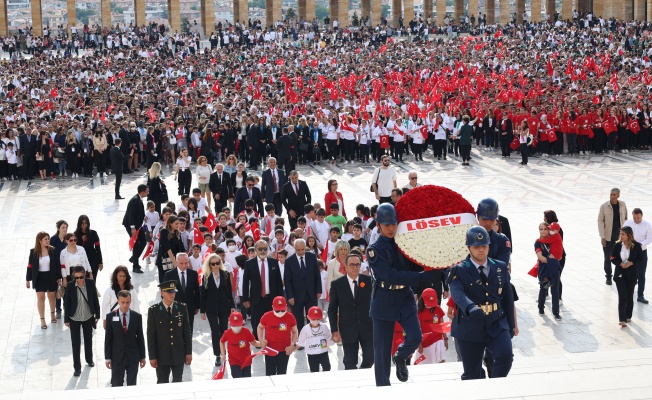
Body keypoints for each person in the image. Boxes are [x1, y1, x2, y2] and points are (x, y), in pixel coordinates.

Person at [366, 203, 437, 386]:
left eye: (393, 224)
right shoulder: (374, 249)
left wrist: (431, 263)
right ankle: (383, 388)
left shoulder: (405, 243)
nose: (391, 228)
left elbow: (415, 264)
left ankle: (400, 356)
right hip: (384, 298)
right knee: (381, 352)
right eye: (386, 224)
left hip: (404, 297)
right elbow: (389, 276)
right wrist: (419, 277)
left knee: (415, 336)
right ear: (378, 224)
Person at [447, 226, 515, 380]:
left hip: (496, 322)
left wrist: (511, 325)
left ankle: (495, 388)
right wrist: (470, 307)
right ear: (469, 247)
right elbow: (457, 293)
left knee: (505, 357)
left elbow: (508, 299)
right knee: (473, 374)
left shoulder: (500, 267)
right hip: (470, 325)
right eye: (476, 247)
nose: (481, 250)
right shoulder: (459, 270)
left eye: (484, 246)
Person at [328, 252, 374, 370]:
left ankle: (363, 375)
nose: (355, 267)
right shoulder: (337, 285)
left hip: (367, 328)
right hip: (348, 329)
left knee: (370, 357)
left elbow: (376, 303)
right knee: (350, 362)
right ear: (346, 266)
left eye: (357, 265)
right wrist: (334, 330)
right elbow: (332, 309)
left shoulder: (369, 282)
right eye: (352, 265)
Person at [147, 280, 192, 384]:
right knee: (162, 383)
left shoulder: (182, 307)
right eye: (169, 292)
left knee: (178, 383)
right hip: (162, 356)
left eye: (173, 292)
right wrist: (152, 356)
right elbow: (151, 336)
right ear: (162, 293)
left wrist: (188, 352)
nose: (172, 294)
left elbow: (186, 332)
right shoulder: (154, 310)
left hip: (178, 354)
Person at [242, 240, 284, 339]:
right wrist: (245, 299)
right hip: (256, 298)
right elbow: (245, 282)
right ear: (255, 250)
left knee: (272, 320)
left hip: (271, 298)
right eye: (260, 249)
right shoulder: (249, 263)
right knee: (256, 320)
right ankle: (257, 339)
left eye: (265, 249)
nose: (262, 251)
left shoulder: (274, 262)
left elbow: (278, 282)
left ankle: (271, 338)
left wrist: (280, 299)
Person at [64, 266, 101, 377]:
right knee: (76, 344)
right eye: (77, 278)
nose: (79, 279)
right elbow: (67, 302)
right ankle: (77, 368)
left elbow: (95, 299)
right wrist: (66, 319)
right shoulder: (70, 286)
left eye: (81, 277)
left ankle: (89, 359)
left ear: (84, 274)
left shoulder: (90, 283)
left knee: (88, 340)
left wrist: (97, 314)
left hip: (87, 316)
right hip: (74, 317)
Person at [104, 290, 146, 386]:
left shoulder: (137, 317)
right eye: (123, 302)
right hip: (117, 356)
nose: (125, 305)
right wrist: (108, 358)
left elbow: (140, 337)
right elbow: (108, 339)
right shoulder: (110, 317)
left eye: (127, 302)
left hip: (133, 356)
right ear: (118, 301)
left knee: (132, 384)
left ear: (130, 301)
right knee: (116, 384)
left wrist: (142, 357)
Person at [201, 253, 235, 367]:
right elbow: (203, 294)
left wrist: (232, 306)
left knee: (224, 330)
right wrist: (202, 311)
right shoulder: (205, 276)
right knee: (215, 332)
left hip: (224, 307)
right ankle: (217, 355)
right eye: (213, 263)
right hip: (210, 308)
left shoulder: (225, 274)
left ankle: (224, 353)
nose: (215, 265)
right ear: (209, 265)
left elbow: (229, 291)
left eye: (217, 263)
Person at [26, 231, 63, 329]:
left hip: (51, 277)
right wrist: (28, 279)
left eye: (48, 239)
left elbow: (57, 264)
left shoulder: (52, 250)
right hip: (39, 278)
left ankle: (52, 314)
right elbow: (30, 266)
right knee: (41, 298)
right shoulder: (33, 252)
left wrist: (59, 277)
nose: (47, 241)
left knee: (52, 296)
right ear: (40, 240)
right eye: (45, 239)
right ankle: (42, 320)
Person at [284, 239, 322, 330]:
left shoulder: (312, 257)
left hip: (311, 294)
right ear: (294, 248)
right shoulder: (289, 261)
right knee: (298, 320)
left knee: (313, 318)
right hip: (296, 296)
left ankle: (312, 338)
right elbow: (287, 280)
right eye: (298, 250)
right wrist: (290, 296)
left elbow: (317, 275)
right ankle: (300, 340)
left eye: (302, 249)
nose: (300, 252)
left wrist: (318, 290)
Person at [257, 296, 299, 376]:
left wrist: (292, 345)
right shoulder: (267, 316)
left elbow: (295, 331)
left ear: (286, 307)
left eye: (283, 310)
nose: (280, 312)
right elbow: (260, 327)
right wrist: (261, 340)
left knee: (282, 373)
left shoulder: (290, 317)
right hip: (270, 350)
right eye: (277, 310)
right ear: (272, 307)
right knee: (270, 374)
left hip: (284, 350)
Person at [611, 226, 643, 327]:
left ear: (629, 235)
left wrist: (631, 263)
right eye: (620, 234)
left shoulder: (637, 246)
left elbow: (640, 258)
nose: (621, 236)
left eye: (623, 234)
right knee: (622, 296)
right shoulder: (617, 245)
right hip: (620, 274)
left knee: (629, 295)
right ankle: (622, 319)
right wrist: (620, 264)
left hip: (631, 274)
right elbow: (612, 257)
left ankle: (628, 315)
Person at [598, 188, 628, 285]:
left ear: (618, 195)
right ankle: (608, 276)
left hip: (620, 236)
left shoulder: (622, 205)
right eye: (611, 194)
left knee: (622, 256)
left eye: (614, 194)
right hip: (608, 236)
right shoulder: (604, 206)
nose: (612, 196)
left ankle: (620, 275)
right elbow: (600, 221)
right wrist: (602, 236)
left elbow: (626, 218)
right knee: (608, 257)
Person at [219, 311, 262, 378]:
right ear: (230, 323)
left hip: (246, 361)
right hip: (234, 361)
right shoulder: (228, 333)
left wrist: (262, 344)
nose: (236, 327)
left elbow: (254, 342)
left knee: (246, 379)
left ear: (242, 323)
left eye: (238, 325)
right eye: (234, 325)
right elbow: (222, 341)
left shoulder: (246, 332)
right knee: (237, 380)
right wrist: (223, 354)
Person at [623, 208, 652, 304]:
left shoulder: (647, 225)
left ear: (641, 216)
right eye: (634, 218)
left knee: (641, 274)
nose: (636, 220)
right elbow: (623, 235)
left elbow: (649, 238)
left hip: (641, 252)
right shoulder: (628, 223)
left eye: (638, 218)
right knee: (627, 271)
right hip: (629, 252)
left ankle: (640, 295)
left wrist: (639, 245)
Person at [414, 288, 447, 364]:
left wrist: (445, 338)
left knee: (441, 361)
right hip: (425, 343)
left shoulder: (438, 309)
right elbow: (417, 329)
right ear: (422, 300)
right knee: (421, 364)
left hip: (438, 340)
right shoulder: (419, 312)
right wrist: (420, 344)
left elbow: (442, 325)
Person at [535, 222, 561, 320]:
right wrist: (552, 261)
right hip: (543, 269)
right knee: (543, 289)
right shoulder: (538, 242)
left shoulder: (553, 239)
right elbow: (540, 257)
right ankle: (541, 307)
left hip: (554, 269)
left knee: (555, 290)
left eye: (545, 229)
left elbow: (559, 254)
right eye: (541, 229)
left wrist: (554, 260)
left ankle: (556, 312)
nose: (543, 231)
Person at [296, 306, 332, 372]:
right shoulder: (305, 329)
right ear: (308, 317)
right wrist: (292, 348)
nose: (316, 321)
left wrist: (335, 339)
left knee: (327, 368)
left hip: (323, 352)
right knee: (314, 371)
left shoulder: (324, 327)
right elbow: (300, 342)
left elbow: (329, 338)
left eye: (318, 319)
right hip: (312, 354)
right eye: (313, 319)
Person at [122, 184, 149, 274]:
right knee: (136, 244)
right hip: (131, 226)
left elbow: (139, 212)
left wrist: (143, 217)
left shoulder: (139, 199)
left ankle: (134, 258)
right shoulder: (134, 200)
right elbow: (131, 215)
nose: (147, 193)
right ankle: (135, 266)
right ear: (142, 192)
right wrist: (132, 228)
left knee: (144, 241)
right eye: (146, 191)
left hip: (138, 225)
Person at [74, 215, 103, 281]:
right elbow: (75, 247)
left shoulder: (93, 233)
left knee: (92, 279)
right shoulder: (76, 234)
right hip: (81, 260)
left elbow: (98, 248)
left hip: (93, 259)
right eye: (82, 224)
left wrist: (100, 262)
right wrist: (81, 240)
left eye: (86, 223)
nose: (84, 225)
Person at [157, 216, 184, 283]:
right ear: (170, 224)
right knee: (165, 281)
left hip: (175, 259)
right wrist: (174, 262)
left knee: (174, 282)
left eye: (178, 224)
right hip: (165, 260)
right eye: (176, 224)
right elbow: (167, 248)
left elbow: (181, 248)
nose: (178, 225)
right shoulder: (164, 231)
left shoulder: (177, 233)